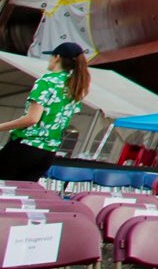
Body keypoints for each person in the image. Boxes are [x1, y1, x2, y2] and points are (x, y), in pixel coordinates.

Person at [0, 42, 90, 180]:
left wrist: (2, 127)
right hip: (48, 152)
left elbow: (32, 119)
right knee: (20, 196)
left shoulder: (46, 81)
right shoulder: (74, 86)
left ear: (57, 57)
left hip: (26, 146)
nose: (49, 60)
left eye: (51, 56)